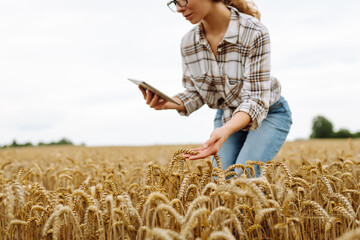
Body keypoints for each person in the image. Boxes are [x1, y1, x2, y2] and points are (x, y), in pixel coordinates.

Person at [139, 0, 292, 177]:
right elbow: (196, 93)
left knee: (245, 176)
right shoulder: (188, 43)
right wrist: (170, 103)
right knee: (220, 182)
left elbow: (256, 100)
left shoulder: (254, 31)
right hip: (226, 115)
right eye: (174, 2)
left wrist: (225, 130)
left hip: (269, 113)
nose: (179, 8)